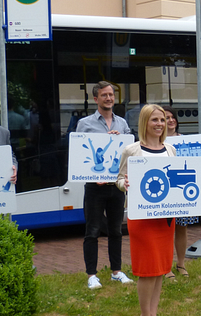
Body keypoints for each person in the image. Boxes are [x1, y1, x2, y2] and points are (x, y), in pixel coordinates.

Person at [117, 104, 177, 316]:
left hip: (166, 219)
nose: (160, 124)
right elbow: (119, 179)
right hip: (142, 219)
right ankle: (145, 314)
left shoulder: (171, 150)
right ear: (144, 122)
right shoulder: (131, 150)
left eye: (162, 120)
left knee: (160, 269)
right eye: (155, 120)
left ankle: (153, 312)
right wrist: (126, 185)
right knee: (147, 270)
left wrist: (199, 181)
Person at [76, 81, 133, 289]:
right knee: (92, 230)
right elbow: (79, 153)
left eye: (111, 95)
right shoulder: (85, 123)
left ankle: (116, 271)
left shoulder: (122, 123)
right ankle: (91, 274)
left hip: (116, 184)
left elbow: (128, 151)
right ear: (96, 99)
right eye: (104, 95)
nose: (109, 98)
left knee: (116, 230)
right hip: (95, 185)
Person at [162, 105, 197, 279]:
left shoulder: (184, 140)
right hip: (166, 191)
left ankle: (181, 264)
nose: (171, 120)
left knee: (182, 227)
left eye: (173, 117)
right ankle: (166, 267)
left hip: (181, 192)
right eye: (166, 117)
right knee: (166, 230)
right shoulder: (156, 142)